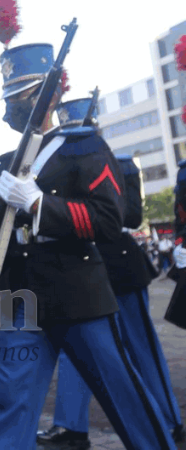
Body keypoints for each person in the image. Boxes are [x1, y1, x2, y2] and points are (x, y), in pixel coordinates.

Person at [0, 35, 174, 448]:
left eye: (22, 94)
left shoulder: (82, 146)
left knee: (125, 396)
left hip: (78, 293)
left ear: (50, 92)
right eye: (9, 95)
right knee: (13, 403)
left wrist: (41, 205)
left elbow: (107, 218)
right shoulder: (12, 159)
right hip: (24, 296)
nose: (14, 105)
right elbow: (5, 222)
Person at [38, 102, 183, 447]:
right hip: (80, 268)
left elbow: (129, 217)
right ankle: (70, 425)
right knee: (82, 353)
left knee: (140, 346)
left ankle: (169, 418)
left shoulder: (120, 164)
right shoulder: (55, 160)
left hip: (119, 266)